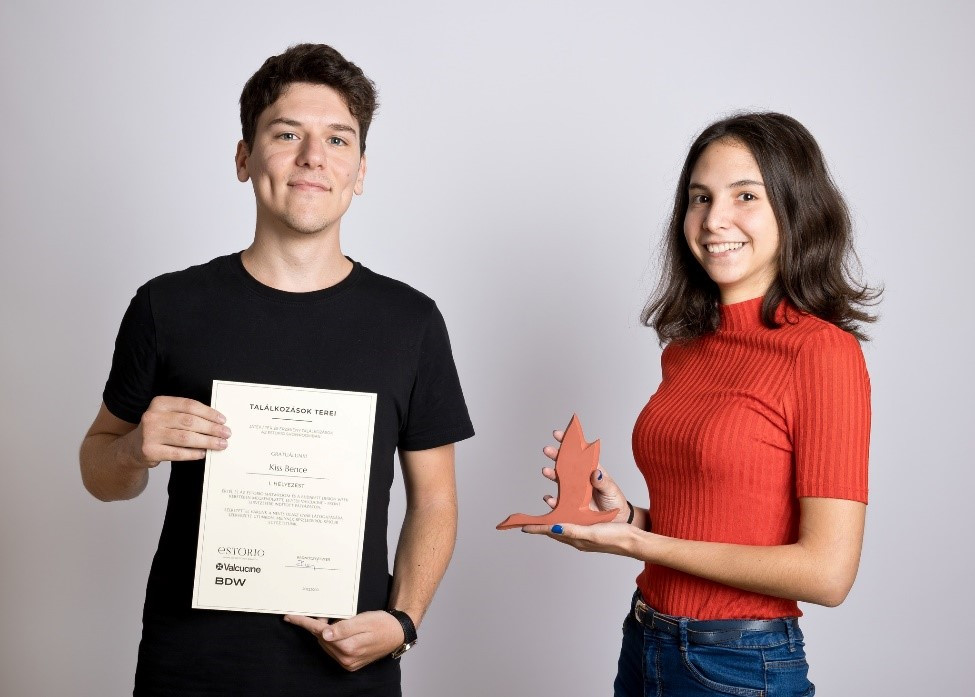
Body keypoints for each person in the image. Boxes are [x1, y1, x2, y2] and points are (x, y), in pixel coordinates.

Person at [79, 43, 474, 696]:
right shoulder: (168, 306)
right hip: (191, 669)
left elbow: (434, 499)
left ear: (359, 170)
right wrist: (132, 449)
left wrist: (403, 622)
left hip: (348, 671)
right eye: (287, 134)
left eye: (337, 140)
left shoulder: (410, 322)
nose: (313, 157)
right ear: (244, 158)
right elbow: (99, 470)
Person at [522, 112, 878, 696]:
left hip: (737, 663)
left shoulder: (822, 353)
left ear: (796, 208)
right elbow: (723, 523)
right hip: (645, 638)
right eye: (700, 197)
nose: (714, 219)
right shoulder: (687, 349)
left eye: (746, 196)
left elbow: (827, 573)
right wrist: (627, 519)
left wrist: (641, 544)